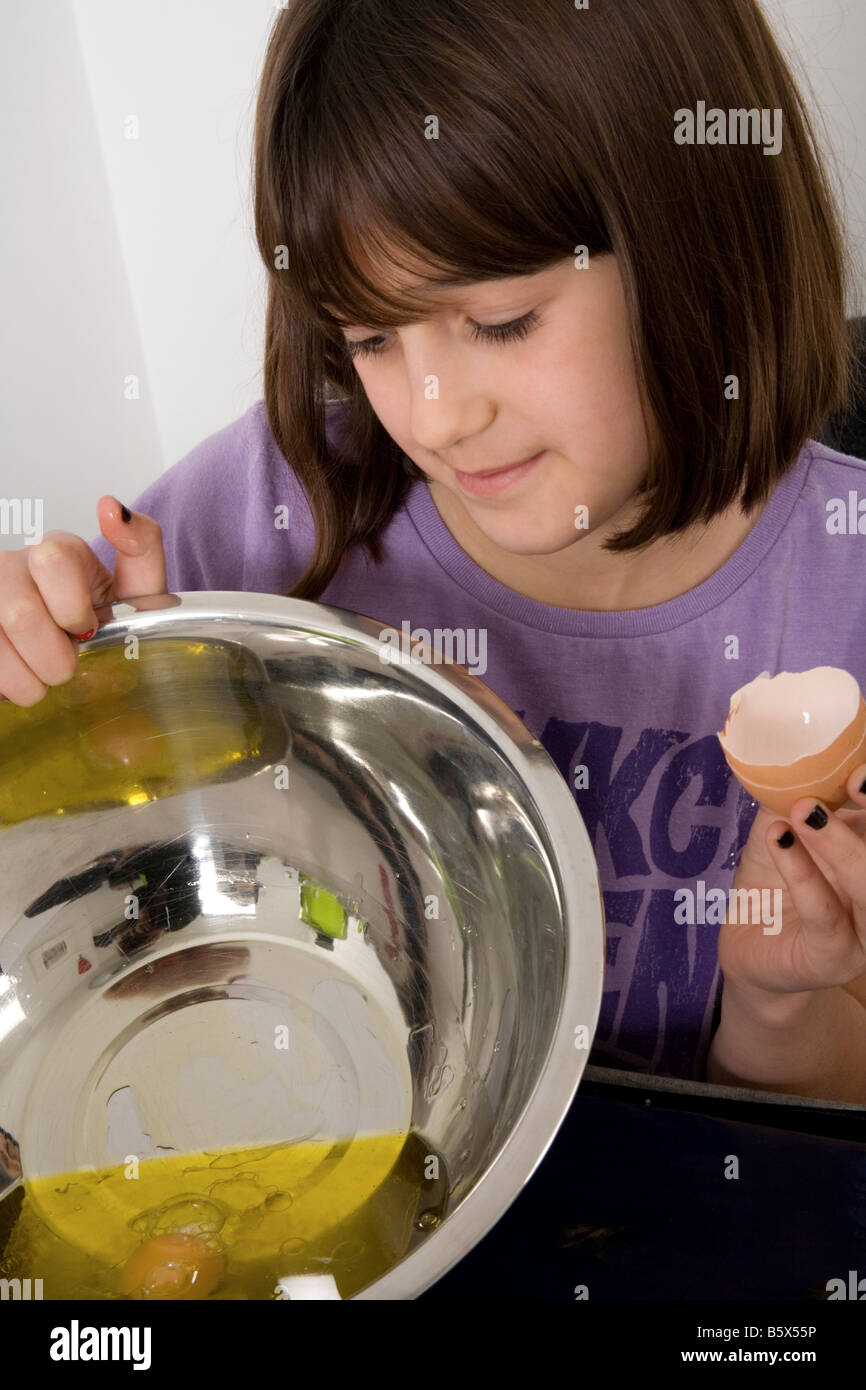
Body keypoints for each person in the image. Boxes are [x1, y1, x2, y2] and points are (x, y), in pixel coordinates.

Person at [2, 0, 866, 1101]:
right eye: (367, 337)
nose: (433, 414)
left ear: (698, 239)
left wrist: (778, 999)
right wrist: (77, 689)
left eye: (500, 321)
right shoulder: (275, 508)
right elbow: (141, 967)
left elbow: (806, 1148)